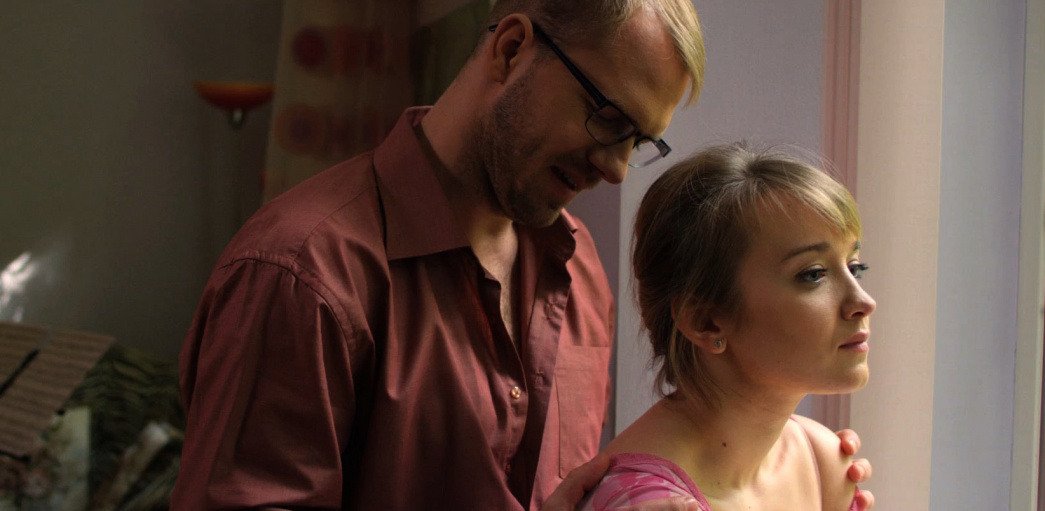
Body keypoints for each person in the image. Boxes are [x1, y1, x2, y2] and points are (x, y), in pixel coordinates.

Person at [170, 1, 873, 509]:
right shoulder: (301, 274)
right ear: (510, 49)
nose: (616, 169)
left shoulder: (581, 273)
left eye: (639, 142)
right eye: (607, 118)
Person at [576, 143, 877, 510]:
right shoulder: (648, 504)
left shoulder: (822, 458)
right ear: (706, 322)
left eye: (855, 267)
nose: (863, 302)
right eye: (813, 274)